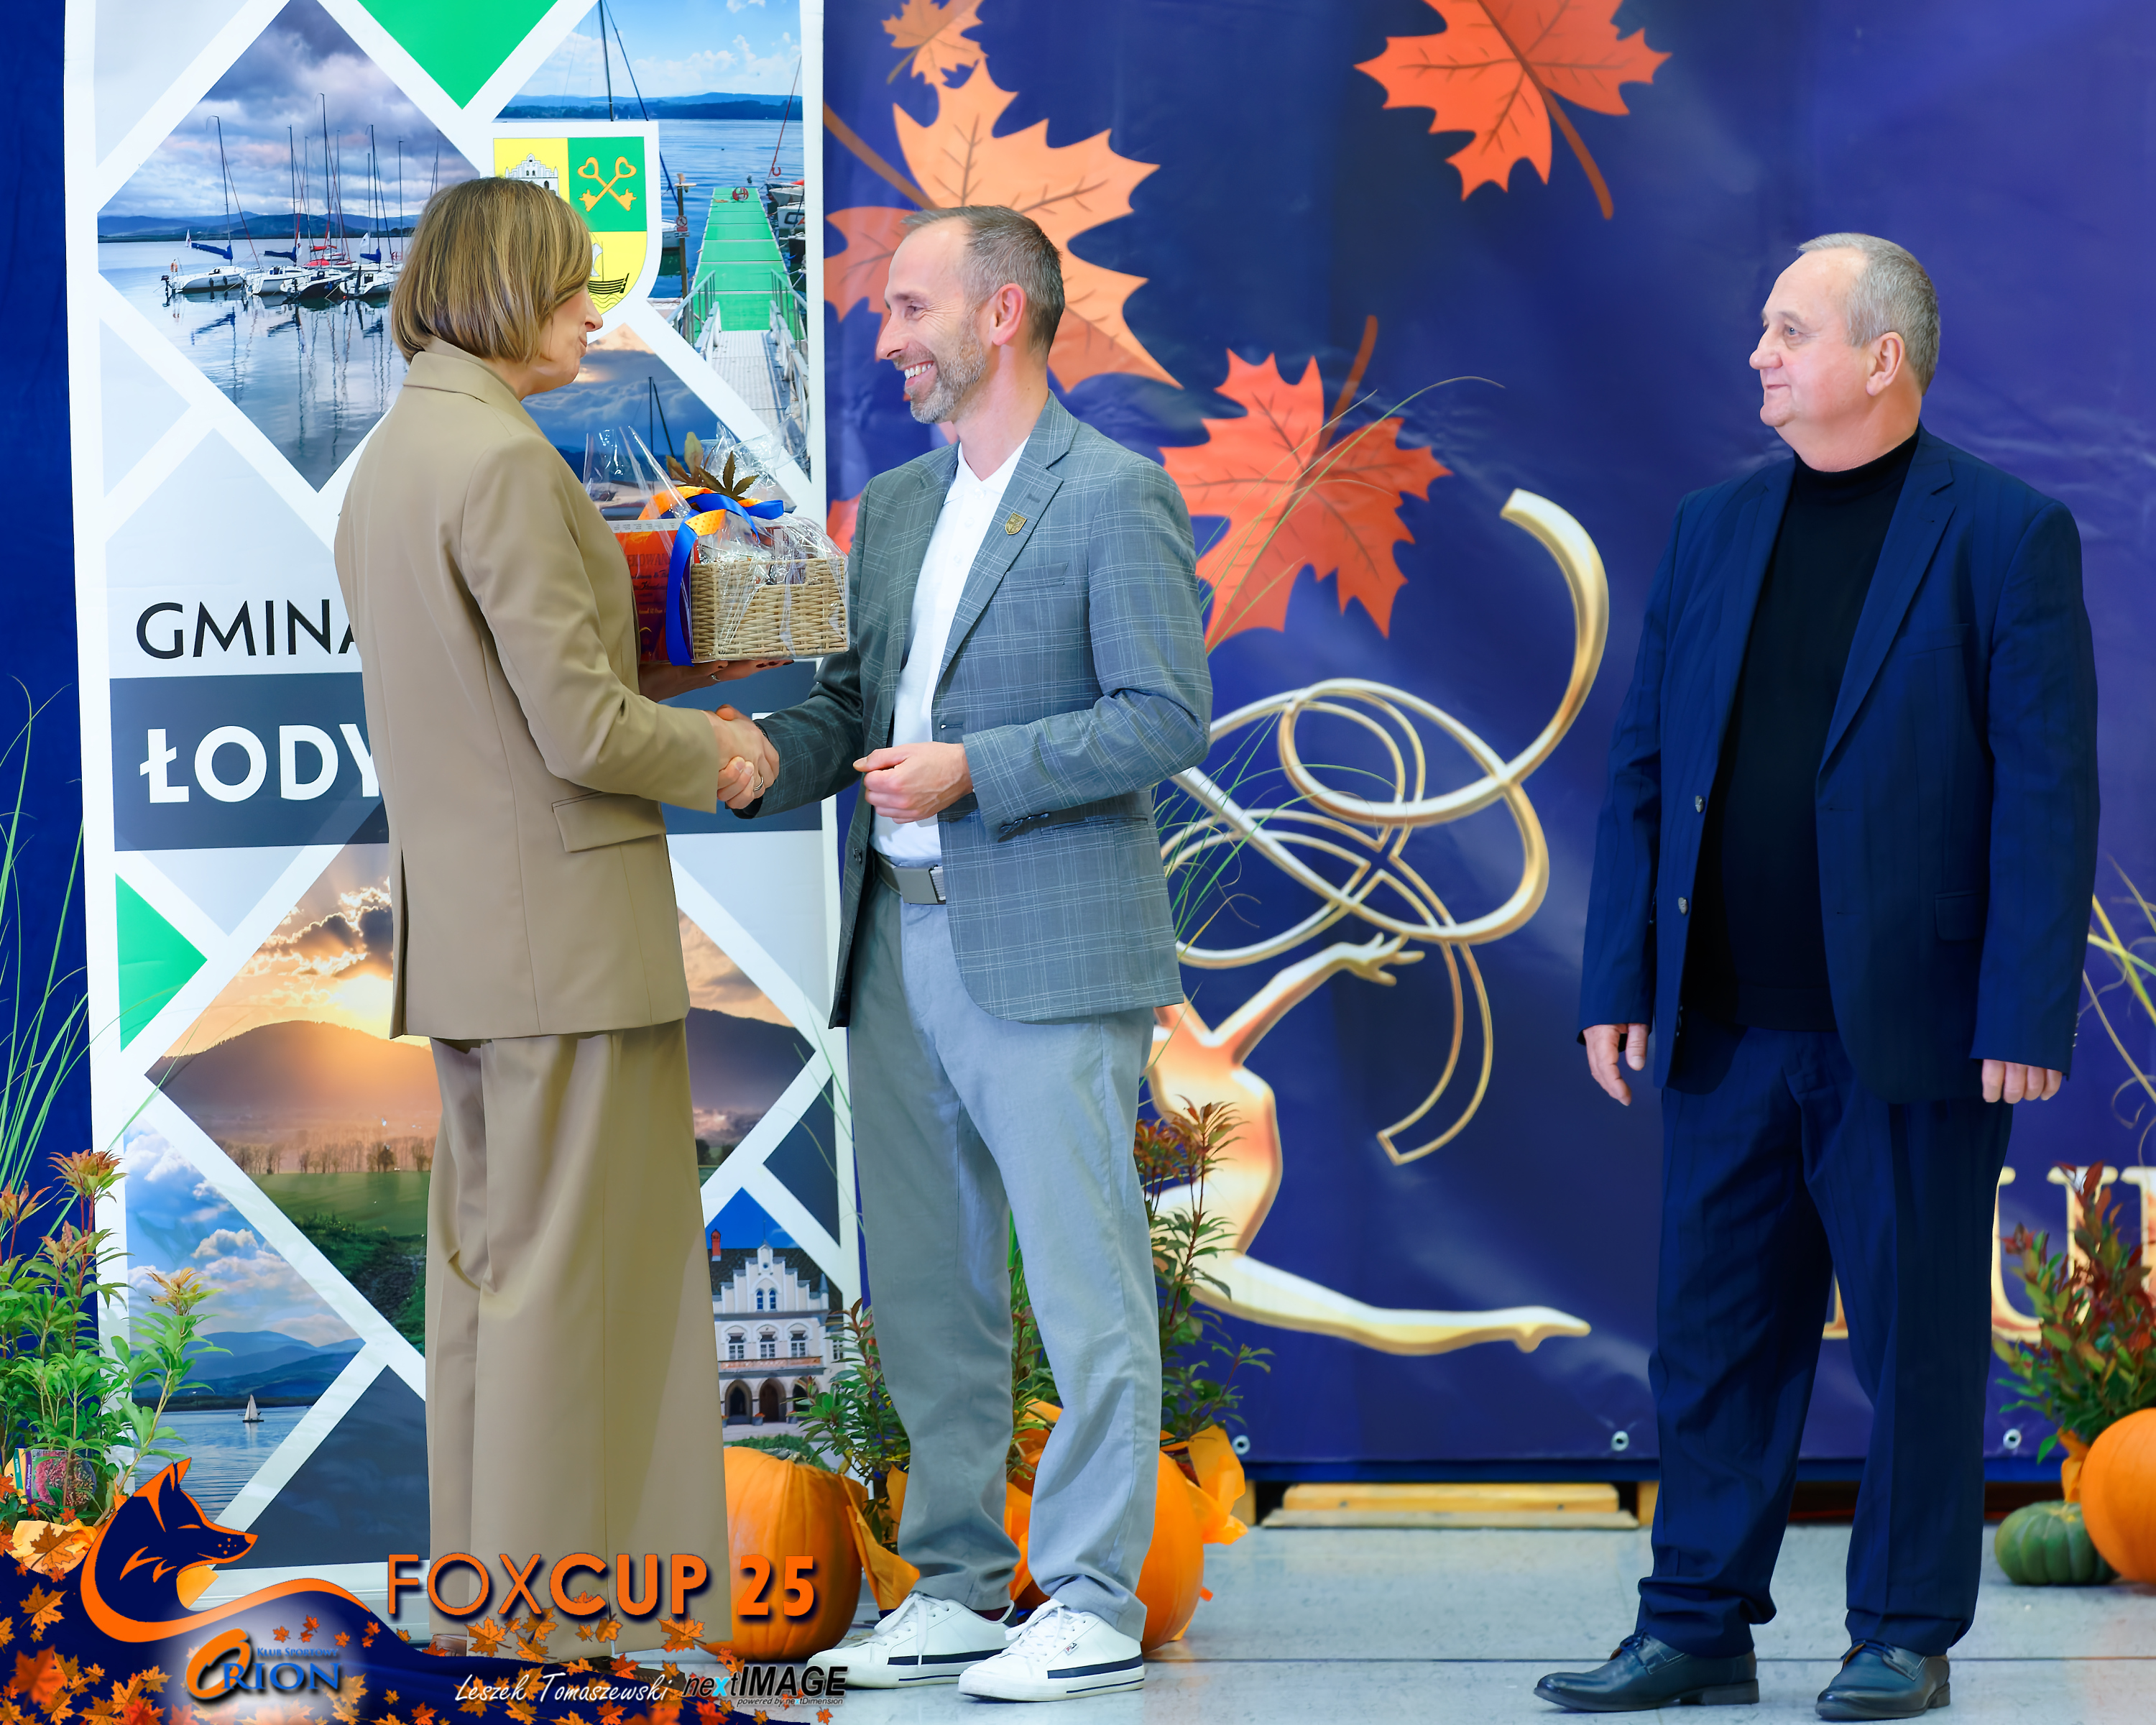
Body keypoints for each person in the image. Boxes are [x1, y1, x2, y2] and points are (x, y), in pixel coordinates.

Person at [1545, 234, 2099, 1719]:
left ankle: (1904, 1632)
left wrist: (2024, 1006)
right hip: (1725, 1022)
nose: (1761, 355)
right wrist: (1620, 977)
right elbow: (1644, 768)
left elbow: (2048, 790)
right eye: (1764, 331)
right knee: (1710, 1342)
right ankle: (1694, 1624)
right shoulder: (1714, 527)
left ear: (1881, 357)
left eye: (1791, 331)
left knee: (1919, 1345)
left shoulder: (2006, 533)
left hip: (1914, 1030)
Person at [729, 204, 1210, 1702]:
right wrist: (752, 756)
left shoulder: (1115, 494)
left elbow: (1163, 717)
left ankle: (1092, 1598)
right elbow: (854, 710)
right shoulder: (896, 510)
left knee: (1083, 1285)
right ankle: (954, 1587)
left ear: (1003, 315)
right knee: (933, 1292)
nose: (884, 337)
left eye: (909, 308)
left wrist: (973, 770)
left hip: (1049, 951)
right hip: (896, 946)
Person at [334, 175, 778, 1658]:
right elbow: (580, 730)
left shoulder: (400, 454)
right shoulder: (507, 463)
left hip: (477, 945)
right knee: (576, 1304)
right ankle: (561, 1642)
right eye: (576, 286)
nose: (594, 312)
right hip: (569, 947)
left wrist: (675, 675)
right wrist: (722, 751)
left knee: (496, 1300)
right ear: (504, 294)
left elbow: (509, 697)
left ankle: (499, 1627)